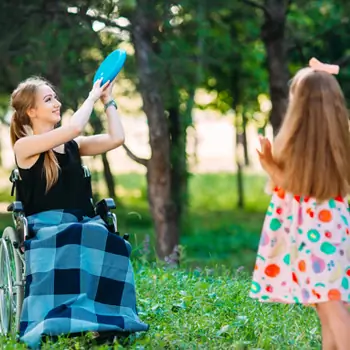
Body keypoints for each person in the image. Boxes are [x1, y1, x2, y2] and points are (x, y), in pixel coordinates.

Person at [9, 77, 148, 348]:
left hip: (81, 221)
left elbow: (116, 138)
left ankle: (106, 319)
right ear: (31, 111)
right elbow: (73, 127)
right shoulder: (24, 147)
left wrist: (109, 101)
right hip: (45, 227)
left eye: (55, 97)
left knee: (105, 237)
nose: (57, 102)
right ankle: (57, 320)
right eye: (48, 99)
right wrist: (93, 96)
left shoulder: (74, 145)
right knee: (79, 234)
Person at [250, 58, 350, 350]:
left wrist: (269, 164)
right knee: (328, 306)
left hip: (314, 241)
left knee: (332, 308)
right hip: (336, 238)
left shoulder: (302, 148)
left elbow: (298, 189)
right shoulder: (339, 144)